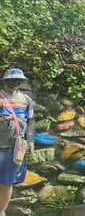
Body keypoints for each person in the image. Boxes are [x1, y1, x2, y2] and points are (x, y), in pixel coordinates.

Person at [0, 69, 35, 215]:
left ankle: (1, 211)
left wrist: (31, 141)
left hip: (14, 147)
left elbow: (31, 121)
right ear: (5, 81)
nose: (15, 83)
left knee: (7, 181)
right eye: (11, 80)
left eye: (18, 80)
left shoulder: (27, 100)